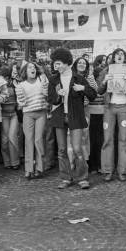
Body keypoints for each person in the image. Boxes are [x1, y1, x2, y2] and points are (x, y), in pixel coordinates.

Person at [48, 48, 96, 189]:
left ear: (67, 63)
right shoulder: (53, 79)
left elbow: (93, 95)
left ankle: (82, 178)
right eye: (55, 64)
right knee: (62, 150)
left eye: (58, 64)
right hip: (59, 117)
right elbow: (51, 99)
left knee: (77, 148)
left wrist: (83, 89)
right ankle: (65, 178)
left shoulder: (79, 78)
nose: (56, 67)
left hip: (76, 116)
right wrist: (59, 96)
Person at [97, 49, 126, 182]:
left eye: (122, 54)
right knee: (108, 139)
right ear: (113, 58)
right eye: (117, 54)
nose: (119, 56)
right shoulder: (106, 71)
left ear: (125, 58)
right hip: (109, 108)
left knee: (123, 140)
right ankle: (107, 170)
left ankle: (122, 171)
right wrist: (105, 81)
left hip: (124, 108)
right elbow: (99, 91)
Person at [16, 61, 49, 179]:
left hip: (41, 113)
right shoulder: (21, 85)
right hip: (28, 114)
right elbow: (20, 104)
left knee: (38, 140)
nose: (32, 69)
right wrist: (21, 99)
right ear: (25, 71)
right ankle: (28, 169)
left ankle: (39, 168)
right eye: (30, 67)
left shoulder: (42, 80)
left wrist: (46, 92)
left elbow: (48, 95)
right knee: (28, 140)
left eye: (34, 67)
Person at [0, 64, 20, 170]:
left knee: (12, 137)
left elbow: (19, 98)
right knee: (4, 139)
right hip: (3, 115)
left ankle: (15, 161)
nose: (5, 80)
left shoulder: (14, 85)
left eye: (7, 77)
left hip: (13, 115)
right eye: (4, 77)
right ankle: (7, 161)